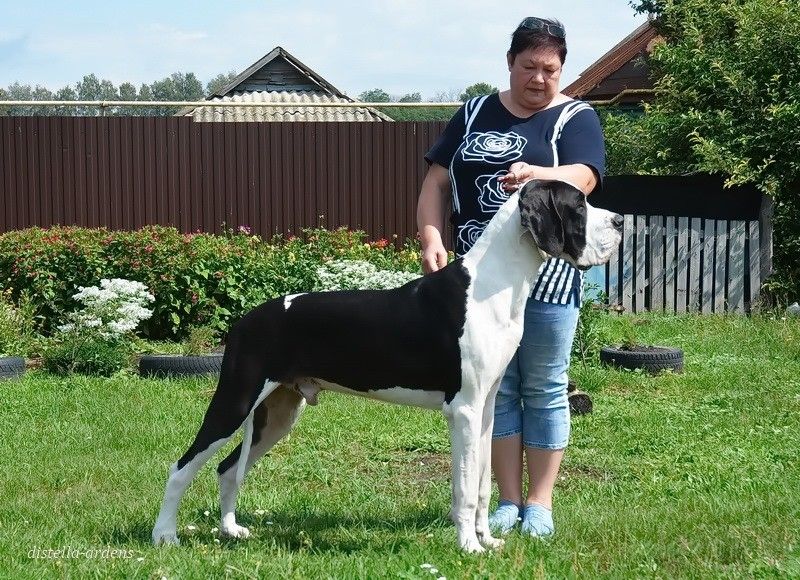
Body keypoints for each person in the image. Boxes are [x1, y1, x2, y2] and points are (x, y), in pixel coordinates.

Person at [416, 16, 605, 537]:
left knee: (544, 385)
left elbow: (585, 177)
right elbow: (435, 181)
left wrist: (537, 173)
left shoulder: (576, 116)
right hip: (475, 285)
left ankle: (539, 505)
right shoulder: (474, 111)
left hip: (548, 279)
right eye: (528, 67)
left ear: (562, 69)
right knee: (494, 389)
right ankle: (505, 500)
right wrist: (431, 236)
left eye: (550, 69)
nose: (539, 79)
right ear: (509, 62)